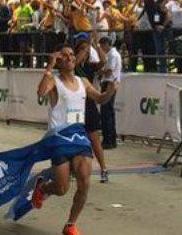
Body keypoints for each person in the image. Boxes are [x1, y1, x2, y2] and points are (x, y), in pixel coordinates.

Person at [31, 46, 118, 235]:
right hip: (60, 138)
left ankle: (70, 224)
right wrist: (49, 67)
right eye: (65, 55)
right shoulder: (54, 81)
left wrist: (111, 91)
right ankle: (43, 188)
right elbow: (40, 93)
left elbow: (101, 99)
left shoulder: (83, 81)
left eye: (72, 55)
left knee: (84, 182)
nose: (70, 57)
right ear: (60, 61)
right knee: (62, 188)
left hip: (79, 136)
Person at [73, 36, 110, 183]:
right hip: (75, 106)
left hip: (88, 105)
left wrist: (95, 45)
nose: (85, 52)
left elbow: (103, 62)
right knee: (74, 138)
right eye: (81, 49)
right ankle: (74, 169)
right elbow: (75, 62)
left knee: (95, 139)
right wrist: (83, 50)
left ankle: (104, 169)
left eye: (86, 50)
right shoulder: (72, 66)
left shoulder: (89, 66)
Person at [140, 0, 172, 73]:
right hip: (155, 28)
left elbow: (169, 15)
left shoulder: (163, 0)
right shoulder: (147, 2)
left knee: (170, 48)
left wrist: (163, 26)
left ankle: (171, 68)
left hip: (166, 27)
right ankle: (162, 70)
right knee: (159, 50)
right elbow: (142, 11)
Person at [98, 37, 121, 150]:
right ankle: (110, 139)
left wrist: (99, 71)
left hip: (109, 83)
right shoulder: (113, 54)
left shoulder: (112, 55)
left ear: (107, 44)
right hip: (111, 83)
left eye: (102, 45)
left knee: (106, 113)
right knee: (108, 112)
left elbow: (109, 72)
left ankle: (108, 140)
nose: (102, 48)